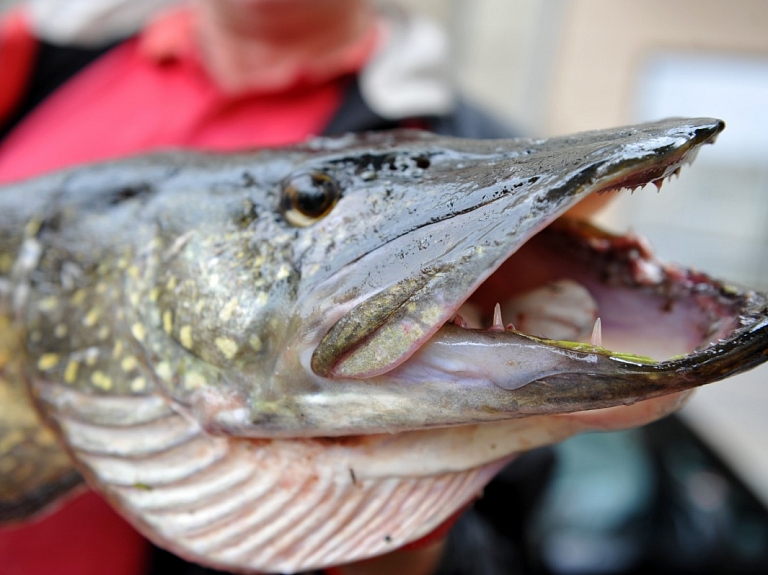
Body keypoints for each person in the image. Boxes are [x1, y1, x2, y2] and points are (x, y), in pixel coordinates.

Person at [0, 1, 686, 573]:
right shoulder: (54, 57)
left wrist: (393, 527)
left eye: (313, 199)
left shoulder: (459, 140)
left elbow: (507, 535)